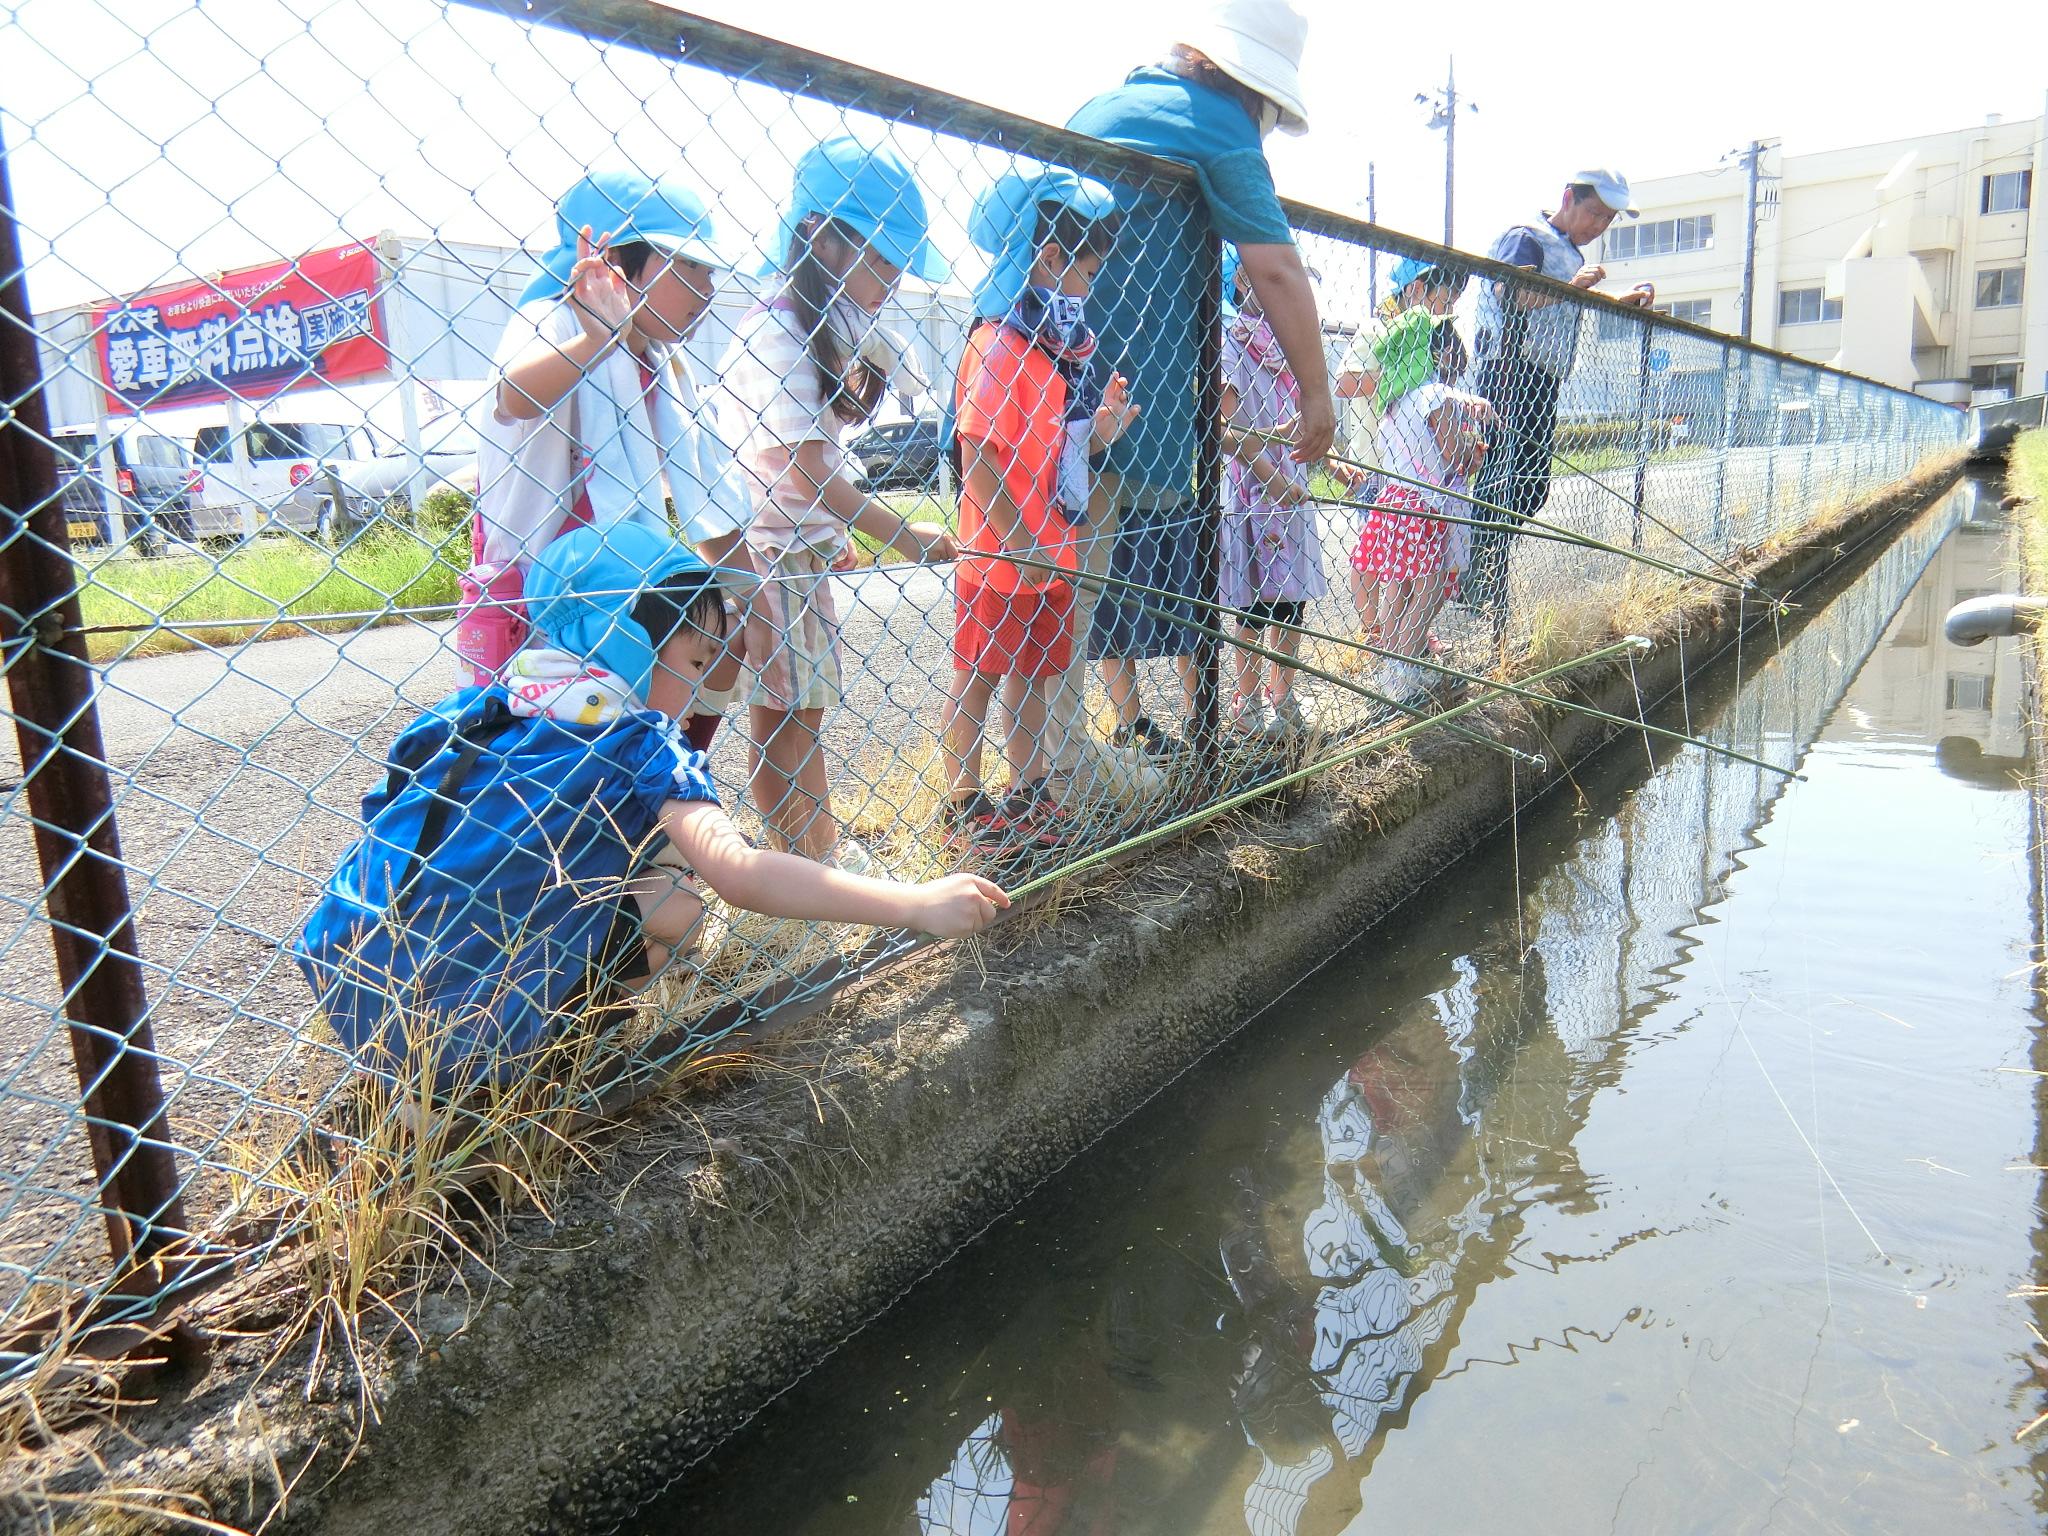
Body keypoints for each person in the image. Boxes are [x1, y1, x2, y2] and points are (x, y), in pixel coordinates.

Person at [297, 523, 1007, 1088]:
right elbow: (739, 872)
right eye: (694, 664)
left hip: (353, 977)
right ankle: (532, 1063)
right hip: (466, 1035)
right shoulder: (638, 739)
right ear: (630, 643)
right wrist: (914, 903)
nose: (700, 691)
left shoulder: (482, 706)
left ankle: (431, 1059)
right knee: (680, 899)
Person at [1060, 0, 1335, 762]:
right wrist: (1318, 397)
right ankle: (1058, 769)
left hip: (1039, 376)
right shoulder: (1214, 121)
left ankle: (1056, 761)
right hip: (1114, 388)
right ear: (1243, 85)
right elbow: (1273, 265)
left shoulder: (1110, 102)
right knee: (1074, 587)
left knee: (1051, 578)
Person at [719, 137, 959, 868]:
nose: (892, 279)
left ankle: (805, 849)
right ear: (821, 237)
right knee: (793, 719)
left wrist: (833, 532)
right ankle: (812, 856)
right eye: (882, 259)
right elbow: (812, 475)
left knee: (795, 714)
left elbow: (798, 470)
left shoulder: (806, 321)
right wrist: (904, 536)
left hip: (792, 548)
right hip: (776, 557)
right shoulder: (785, 330)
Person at [459, 171, 754, 763]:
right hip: (545, 583)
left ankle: (667, 782)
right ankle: (653, 798)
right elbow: (514, 397)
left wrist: (749, 590)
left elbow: (706, 482)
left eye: (710, 271)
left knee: (723, 632)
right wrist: (599, 336)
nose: (708, 286)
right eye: (690, 267)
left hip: (621, 574)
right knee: (559, 744)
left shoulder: (660, 360)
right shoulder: (553, 320)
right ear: (617, 263)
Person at [940, 168, 1136, 851]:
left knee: (1031, 673)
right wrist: (1019, 540)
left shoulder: (1055, 348)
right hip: (1003, 554)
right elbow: (979, 452)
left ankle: (1027, 793)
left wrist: (1103, 425)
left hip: (1051, 549)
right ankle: (963, 804)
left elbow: (1059, 448)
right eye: (1088, 269)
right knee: (981, 676)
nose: (1093, 284)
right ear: (1050, 257)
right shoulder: (1000, 343)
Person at [1464, 170, 1654, 626]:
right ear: (1568, 198)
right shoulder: (1525, 237)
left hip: (1542, 376)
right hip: (1508, 371)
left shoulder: (1568, 253)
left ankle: (1485, 571)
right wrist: (1576, 288)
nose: (1598, 226)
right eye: (1594, 213)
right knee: (1500, 479)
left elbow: (1563, 300)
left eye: (1607, 220)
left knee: (1530, 485)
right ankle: (1478, 581)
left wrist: (1615, 300)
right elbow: (1512, 293)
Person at [1217, 246, 1332, 739]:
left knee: (1291, 605)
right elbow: (1227, 428)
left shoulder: (1291, 342)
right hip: (1253, 486)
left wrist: (1318, 458)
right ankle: (1246, 703)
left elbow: (1302, 418)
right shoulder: (1229, 340)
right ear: (1242, 281)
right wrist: (1275, 478)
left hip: (1291, 483)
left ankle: (1282, 697)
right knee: (1252, 608)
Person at [1351, 318, 1491, 701]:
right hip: (1428, 506)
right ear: (1431, 354)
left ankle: (1396, 668)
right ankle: (1404, 667)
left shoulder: (1393, 404)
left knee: (1398, 585)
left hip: (1394, 502)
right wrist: (1472, 450)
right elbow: (1452, 451)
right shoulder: (1435, 397)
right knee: (1429, 589)